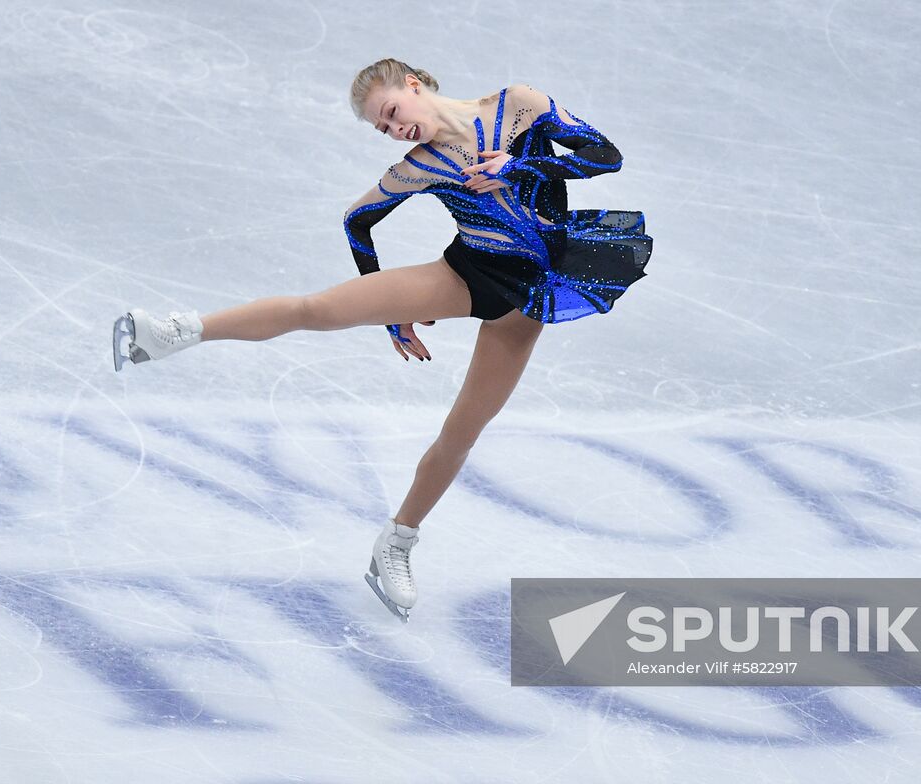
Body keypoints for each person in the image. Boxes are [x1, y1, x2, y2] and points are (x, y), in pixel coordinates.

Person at [112, 58, 652, 622]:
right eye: (383, 129)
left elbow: (603, 156)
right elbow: (357, 219)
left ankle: (395, 543)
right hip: (464, 277)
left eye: (392, 113)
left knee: (462, 432)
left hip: (530, 296)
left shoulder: (518, 104)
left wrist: (520, 167)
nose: (394, 130)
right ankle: (172, 333)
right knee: (316, 310)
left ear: (414, 86)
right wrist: (393, 316)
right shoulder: (418, 166)